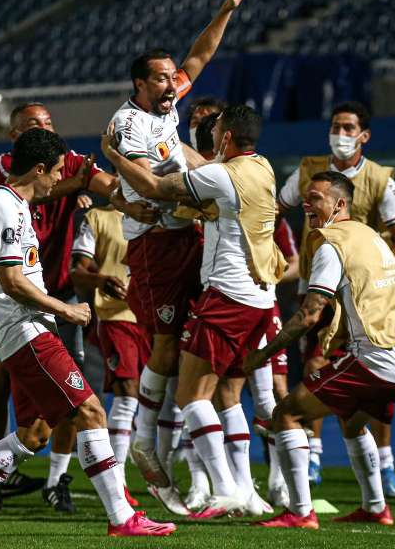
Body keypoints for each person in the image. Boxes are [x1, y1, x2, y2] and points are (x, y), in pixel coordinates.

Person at [0, 128, 175, 537]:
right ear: (39, 169)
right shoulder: (5, 207)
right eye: (57, 172)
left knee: (34, 433)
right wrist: (67, 310)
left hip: (23, 330)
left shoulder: (13, 205)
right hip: (25, 331)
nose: (58, 181)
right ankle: (122, 517)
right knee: (91, 412)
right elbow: (11, 280)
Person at [108, 0, 255, 503]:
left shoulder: (166, 105)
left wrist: (226, 9)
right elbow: (153, 185)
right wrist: (209, 186)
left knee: (206, 344)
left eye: (174, 78)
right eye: (164, 79)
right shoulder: (128, 126)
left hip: (186, 235)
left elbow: (200, 55)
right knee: (168, 343)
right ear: (141, 84)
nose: (175, 84)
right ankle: (143, 440)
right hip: (154, 245)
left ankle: (221, 476)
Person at [103, 103, 282, 518]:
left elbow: (154, 188)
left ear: (225, 138)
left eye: (214, 128)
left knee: (189, 395)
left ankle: (224, 489)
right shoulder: (263, 167)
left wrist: (114, 155)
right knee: (229, 394)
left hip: (228, 296)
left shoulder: (220, 176)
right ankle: (243, 487)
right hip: (259, 297)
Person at [0, 101, 156, 513]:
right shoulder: (4, 180)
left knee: (55, 417)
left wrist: (131, 203)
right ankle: (119, 513)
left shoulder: (63, 167)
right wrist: (73, 185)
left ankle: (37, 483)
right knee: (9, 385)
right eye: (33, 125)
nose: (45, 129)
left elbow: (104, 185)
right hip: (22, 306)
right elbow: (12, 277)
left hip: (50, 298)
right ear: (18, 139)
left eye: (48, 123)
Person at [247, 171, 395, 529]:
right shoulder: (368, 234)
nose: (307, 204)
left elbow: (309, 314)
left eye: (316, 197)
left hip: (376, 357)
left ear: (340, 204)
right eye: (306, 197)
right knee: (352, 422)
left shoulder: (331, 244)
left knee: (286, 413)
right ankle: (376, 507)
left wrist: (263, 354)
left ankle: (300, 513)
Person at [277, 100, 395, 496]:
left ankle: (386, 465)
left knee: (376, 378)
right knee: (317, 363)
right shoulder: (308, 171)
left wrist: (378, 270)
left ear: (363, 135)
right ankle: (316, 454)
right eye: (336, 124)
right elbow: (274, 208)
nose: (340, 132)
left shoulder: (380, 178)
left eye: (348, 126)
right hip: (317, 284)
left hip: (365, 294)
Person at [71, 204, 150, 507]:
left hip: (152, 317)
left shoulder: (153, 212)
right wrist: (100, 280)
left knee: (162, 399)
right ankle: (118, 481)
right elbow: (78, 270)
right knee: (127, 393)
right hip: (115, 316)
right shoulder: (98, 218)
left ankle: (188, 482)